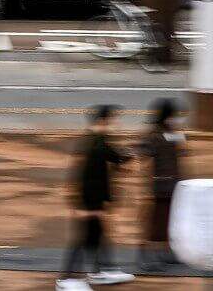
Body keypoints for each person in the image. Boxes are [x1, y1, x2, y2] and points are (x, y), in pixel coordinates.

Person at [57, 104, 135, 290]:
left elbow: (115, 156)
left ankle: (102, 270)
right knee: (84, 239)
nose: (116, 125)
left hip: (94, 202)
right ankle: (67, 279)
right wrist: (88, 209)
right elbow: (88, 178)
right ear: (104, 121)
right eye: (113, 121)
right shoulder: (96, 145)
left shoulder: (97, 141)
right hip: (89, 203)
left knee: (97, 236)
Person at [136, 98, 184, 270]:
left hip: (173, 186)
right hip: (159, 187)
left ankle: (166, 252)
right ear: (166, 116)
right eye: (174, 115)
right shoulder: (154, 135)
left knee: (168, 221)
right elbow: (142, 153)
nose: (177, 118)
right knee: (154, 222)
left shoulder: (172, 132)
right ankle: (145, 256)